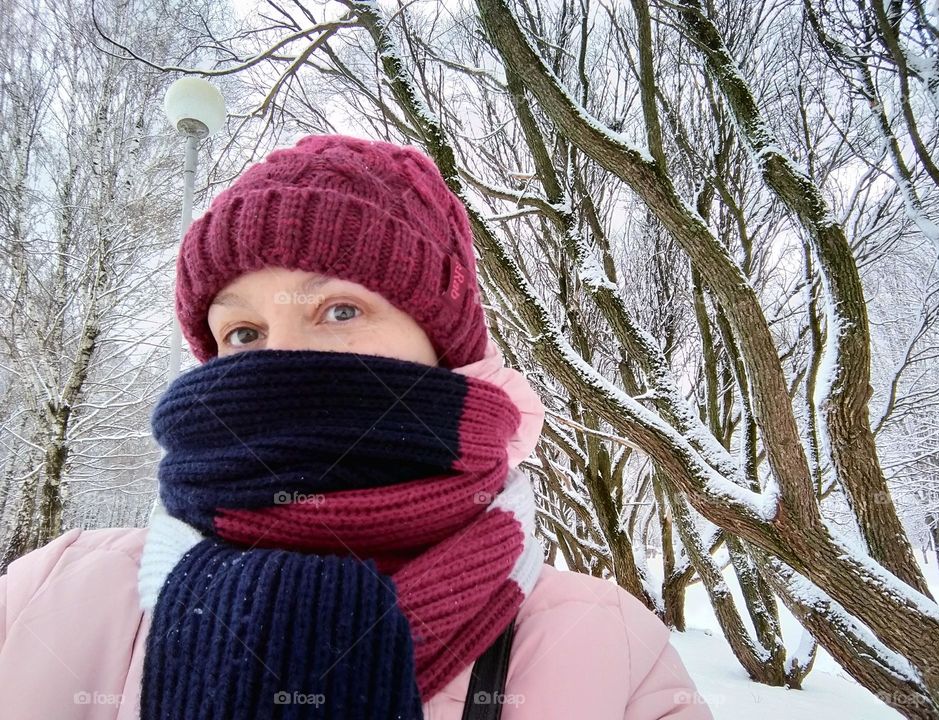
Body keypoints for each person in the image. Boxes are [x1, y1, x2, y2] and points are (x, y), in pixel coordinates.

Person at [0, 134, 712, 719]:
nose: (282, 359)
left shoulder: (605, 650)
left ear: (444, 352)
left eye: (339, 310)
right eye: (242, 332)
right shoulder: (50, 595)